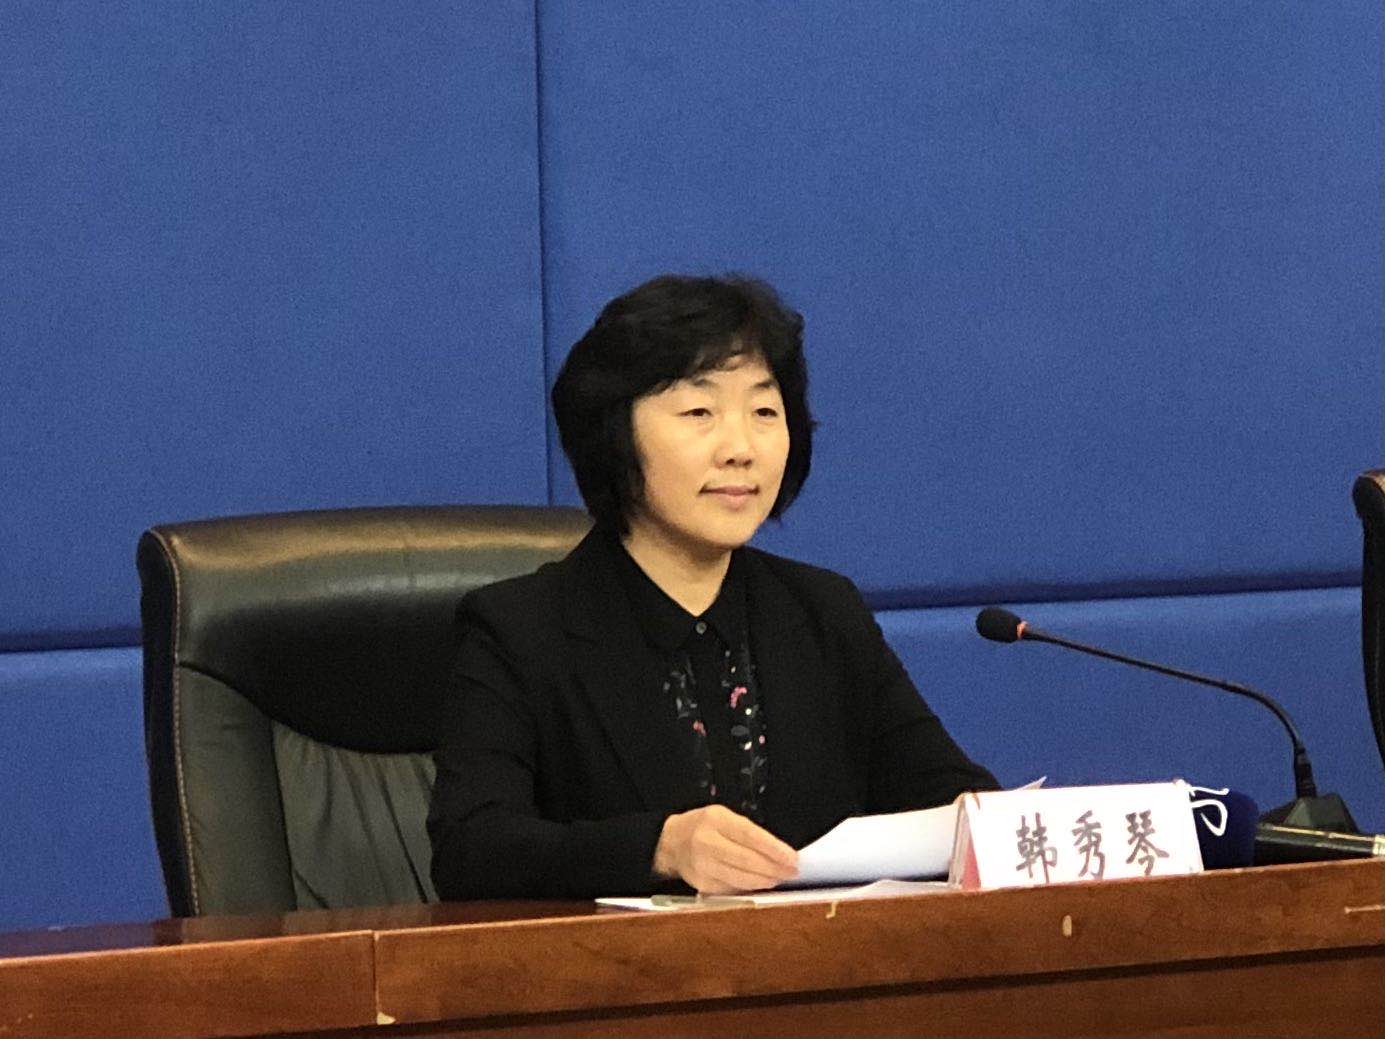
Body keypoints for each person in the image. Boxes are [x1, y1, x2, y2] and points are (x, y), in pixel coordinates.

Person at [428, 274, 997, 900]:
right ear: (614, 435)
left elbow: (952, 797)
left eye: (764, 412)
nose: (740, 449)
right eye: (699, 413)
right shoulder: (520, 630)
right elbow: (471, 850)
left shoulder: (822, 612)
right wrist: (661, 847)